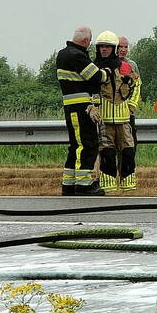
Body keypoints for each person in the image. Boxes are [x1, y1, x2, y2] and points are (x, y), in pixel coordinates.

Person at [56, 27, 108, 196]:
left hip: (73, 108)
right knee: (87, 145)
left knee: (76, 145)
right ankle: (84, 184)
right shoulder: (77, 55)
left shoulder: (63, 54)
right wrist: (106, 73)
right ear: (86, 41)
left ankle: (69, 183)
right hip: (82, 108)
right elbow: (95, 76)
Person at [94, 31, 139, 192]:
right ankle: (108, 185)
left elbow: (137, 84)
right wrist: (94, 108)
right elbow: (91, 90)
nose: (104, 49)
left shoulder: (126, 66)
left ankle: (128, 185)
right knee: (107, 152)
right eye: (101, 47)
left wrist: (132, 105)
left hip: (124, 118)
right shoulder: (95, 68)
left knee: (128, 151)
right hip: (104, 119)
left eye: (108, 46)